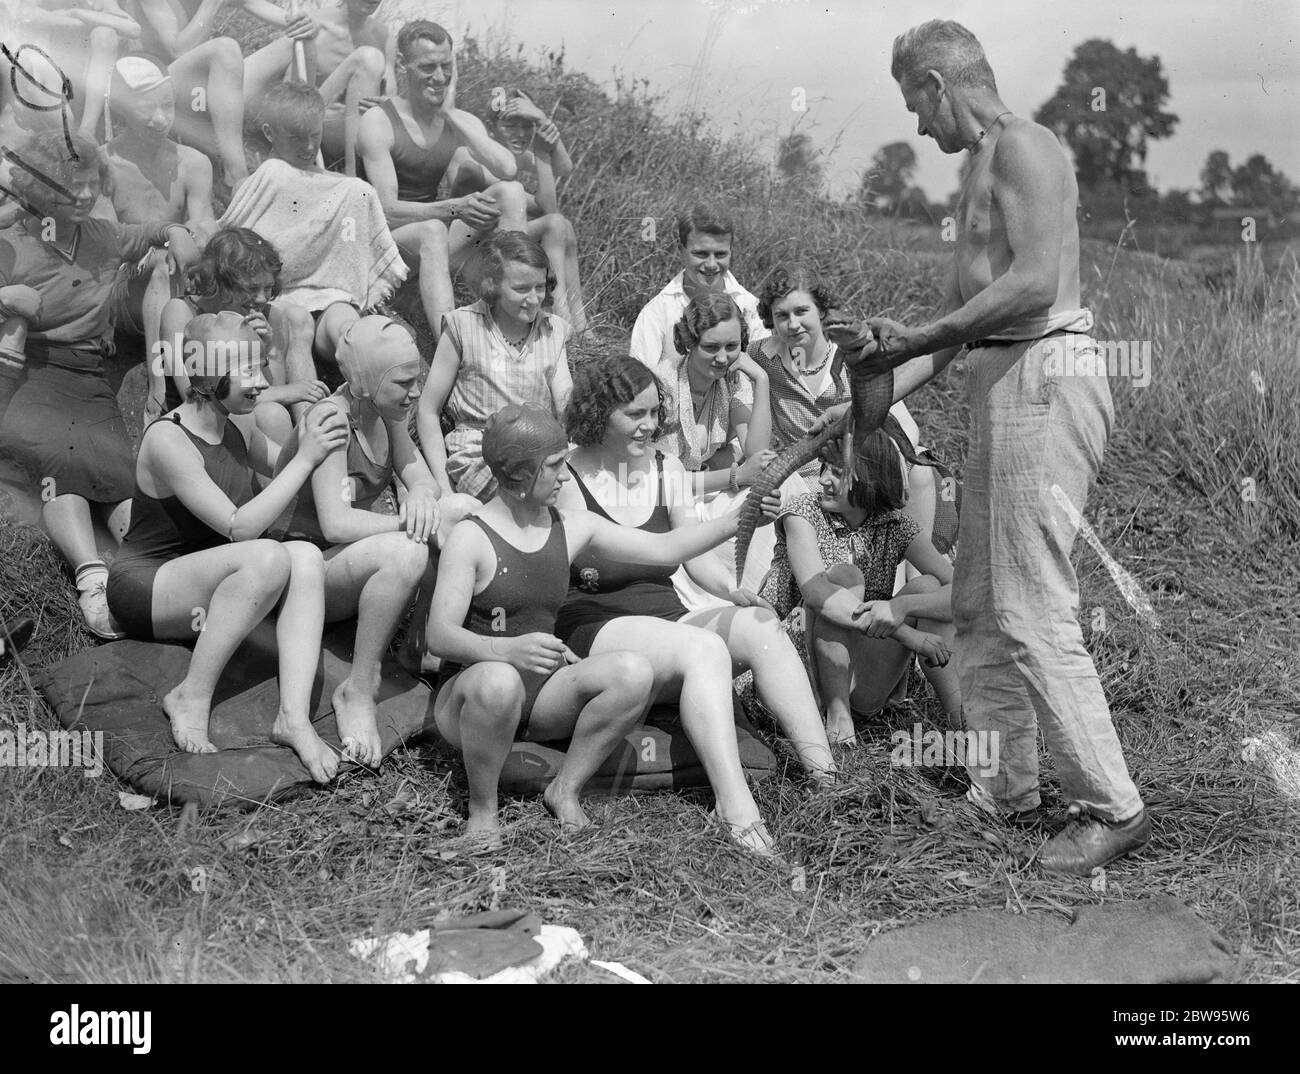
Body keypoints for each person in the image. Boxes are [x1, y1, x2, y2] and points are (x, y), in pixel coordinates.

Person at [814, 19, 1148, 873]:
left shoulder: (1027, 146)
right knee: (978, 601)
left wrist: (922, 329)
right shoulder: (976, 176)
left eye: (915, 107)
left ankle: (1112, 806)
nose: (920, 129)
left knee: (1032, 600)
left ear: (936, 82)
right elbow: (944, 342)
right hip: (1004, 377)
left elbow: (1032, 285)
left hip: (1047, 369)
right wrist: (863, 398)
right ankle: (1007, 788)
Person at [428, 403, 781, 853]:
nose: (565, 476)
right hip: (472, 693)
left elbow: (665, 546)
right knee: (498, 682)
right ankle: (483, 813)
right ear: (519, 475)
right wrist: (506, 652)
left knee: (633, 672)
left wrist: (740, 517)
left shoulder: (570, 527)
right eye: (555, 466)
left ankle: (566, 788)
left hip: (539, 694)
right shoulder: (472, 537)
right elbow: (440, 636)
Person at [555, 355, 836, 787]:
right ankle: (736, 804)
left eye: (654, 412)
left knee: (762, 625)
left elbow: (693, 555)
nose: (649, 425)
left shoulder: (665, 467)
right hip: (599, 629)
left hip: (669, 622)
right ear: (598, 414)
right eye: (634, 414)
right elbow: (657, 548)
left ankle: (828, 778)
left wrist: (730, 589)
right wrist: (734, 520)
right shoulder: (568, 478)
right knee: (700, 647)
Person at [106, 311, 350, 779]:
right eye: (248, 372)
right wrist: (308, 456)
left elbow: (282, 475)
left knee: (302, 556)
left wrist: (312, 426)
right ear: (207, 377)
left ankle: (292, 717)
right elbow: (239, 527)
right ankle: (190, 695)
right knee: (266, 556)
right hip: (149, 583)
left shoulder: (238, 425)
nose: (261, 383)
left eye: (260, 367)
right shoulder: (167, 437)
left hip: (207, 576)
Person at [0, 129, 199, 639]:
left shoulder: (104, 236)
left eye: (92, 184)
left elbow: (156, 231)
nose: (87, 196)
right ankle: (91, 575)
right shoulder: (12, 242)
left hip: (86, 375)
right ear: (40, 189)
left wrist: (176, 232)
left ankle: (141, 576)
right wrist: (6, 296)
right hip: (29, 374)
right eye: (72, 187)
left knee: (117, 469)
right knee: (62, 462)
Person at [267, 316, 460, 768]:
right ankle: (358, 687)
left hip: (339, 561)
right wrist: (408, 522)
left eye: (418, 380)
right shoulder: (332, 420)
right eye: (405, 382)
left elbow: (421, 476)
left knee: (459, 510)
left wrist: (421, 498)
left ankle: (419, 646)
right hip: (302, 575)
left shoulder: (385, 409)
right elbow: (334, 523)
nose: (416, 393)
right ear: (368, 380)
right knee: (409, 547)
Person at [758, 436, 959, 746]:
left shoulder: (895, 526)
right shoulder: (802, 513)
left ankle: (957, 713)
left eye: (838, 472)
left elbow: (960, 593)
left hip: (859, 668)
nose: (823, 479)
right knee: (846, 576)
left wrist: (904, 608)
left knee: (928, 588)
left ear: (869, 476)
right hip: (794, 665)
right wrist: (910, 636)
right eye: (825, 468)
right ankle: (837, 716)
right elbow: (818, 596)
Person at [220, 79, 407, 373]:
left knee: (349, 328)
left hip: (330, 294)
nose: (308, 147)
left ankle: (361, 402)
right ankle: (307, 410)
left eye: (315, 135)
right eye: (296, 138)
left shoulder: (342, 188)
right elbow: (229, 244)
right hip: (278, 300)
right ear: (269, 132)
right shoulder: (268, 177)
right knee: (298, 323)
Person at [356, 19, 526, 343]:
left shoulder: (449, 119)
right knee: (433, 230)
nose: (439, 77)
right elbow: (387, 211)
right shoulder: (380, 121)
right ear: (403, 66)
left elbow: (508, 169)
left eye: (446, 66)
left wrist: (450, 115)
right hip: (385, 245)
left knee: (511, 194)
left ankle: (514, 318)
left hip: (429, 239)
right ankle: (453, 349)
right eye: (428, 67)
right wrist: (454, 207)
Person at [417, 231, 572, 501]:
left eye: (540, 286)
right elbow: (428, 410)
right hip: (480, 451)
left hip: (537, 450)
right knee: (530, 491)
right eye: (521, 289)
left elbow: (565, 401)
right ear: (492, 285)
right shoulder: (463, 325)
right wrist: (442, 485)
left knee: (572, 489)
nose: (534, 298)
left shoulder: (553, 330)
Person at [100, 55, 216, 410]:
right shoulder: (104, 163)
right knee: (160, 261)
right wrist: (169, 235)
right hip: (124, 294)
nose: (160, 119)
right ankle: (159, 385)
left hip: (183, 282)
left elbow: (205, 224)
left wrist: (196, 231)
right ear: (121, 108)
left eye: (167, 105)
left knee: (171, 260)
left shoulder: (193, 162)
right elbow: (107, 242)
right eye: (146, 109)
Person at [157, 227, 323, 438]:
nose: (263, 298)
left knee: (273, 414)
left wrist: (265, 348)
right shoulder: (181, 312)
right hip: (193, 428)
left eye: (268, 288)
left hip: (245, 422)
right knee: (271, 415)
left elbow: (272, 390)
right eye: (251, 288)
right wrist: (288, 392)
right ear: (220, 282)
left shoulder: (271, 317)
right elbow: (194, 396)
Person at [447, 87, 587, 332]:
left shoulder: (516, 157)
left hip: (491, 245)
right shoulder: (469, 156)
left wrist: (543, 122)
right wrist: (542, 152)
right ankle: (554, 320)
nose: (521, 133)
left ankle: (576, 323)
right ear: (490, 129)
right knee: (541, 213)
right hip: (462, 252)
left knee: (559, 225)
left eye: (527, 125)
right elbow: (541, 203)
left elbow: (564, 167)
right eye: (511, 125)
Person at [629, 205, 768, 381]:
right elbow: (639, 383)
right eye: (701, 254)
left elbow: (761, 376)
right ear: (681, 250)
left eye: (720, 254)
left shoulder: (751, 309)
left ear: (731, 251)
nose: (711, 264)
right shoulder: (657, 313)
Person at [301, 0, 397, 176]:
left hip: (365, 137)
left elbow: (391, 98)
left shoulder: (384, 36)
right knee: (368, 58)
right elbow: (293, 98)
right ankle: (355, 179)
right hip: (317, 131)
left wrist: (385, 105)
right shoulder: (313, 25)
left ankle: (360, 181)